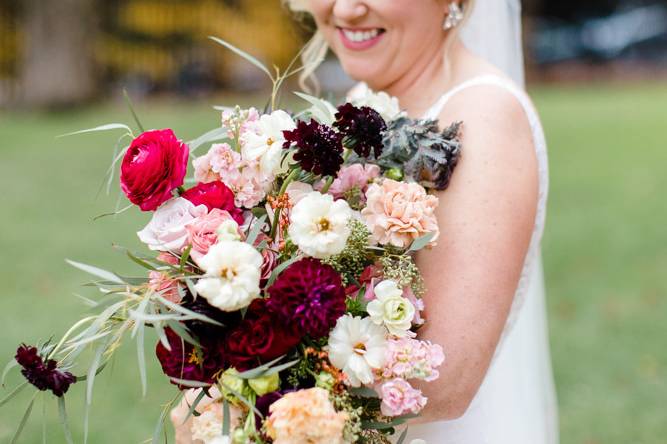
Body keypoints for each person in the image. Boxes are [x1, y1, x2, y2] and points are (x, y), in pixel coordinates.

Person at [285, 0, 559, 442]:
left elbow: (442, 383)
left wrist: (249, 397)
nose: (347, 10)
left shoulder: (485, 115)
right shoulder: (361, 102)